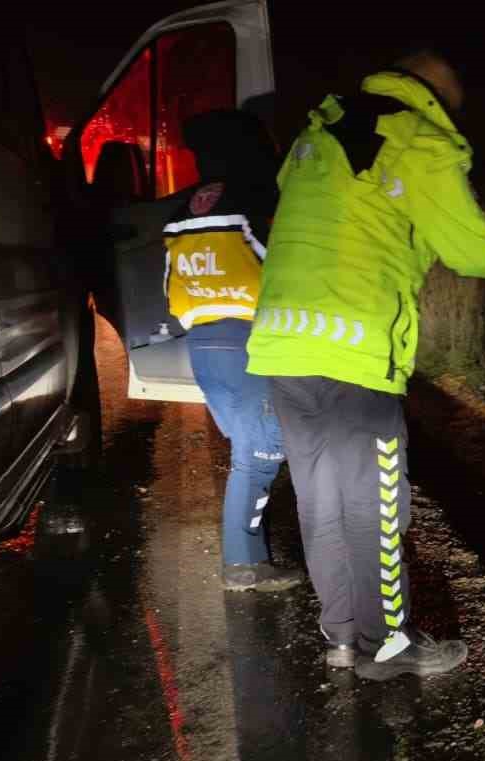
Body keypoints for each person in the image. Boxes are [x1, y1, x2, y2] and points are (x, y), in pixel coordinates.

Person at [246, 48, 485, 678]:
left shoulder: (315, 135)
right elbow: (475, 251)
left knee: (321, 502)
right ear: (439, 99)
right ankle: (389, 645)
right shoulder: (419, 139)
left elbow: (359, 225)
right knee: (374, 505)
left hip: (283, 347)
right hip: (352, 353)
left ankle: (344, 638)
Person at [164, 109, 306, 592]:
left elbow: (170, 282)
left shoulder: (183, 207)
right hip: (248, 341)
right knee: (261, 453)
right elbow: (284, 267)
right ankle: (244, 565)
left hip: (203, 344)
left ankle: (246, 558)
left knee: (250, 451)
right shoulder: (257, 196)